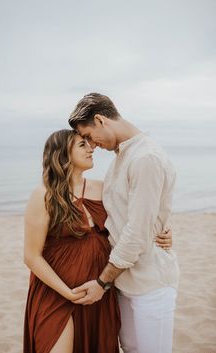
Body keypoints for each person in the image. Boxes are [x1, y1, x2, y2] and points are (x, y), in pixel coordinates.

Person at [23, 129, 172, 353]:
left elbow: (138, 220)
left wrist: (164, 233)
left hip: (99, 292)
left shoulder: (104, 189)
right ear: (62, 153)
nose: (91, 148)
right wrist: (67, 293)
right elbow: (31, 256)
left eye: (89, 143)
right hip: (55, 293)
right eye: (82, 145)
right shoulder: (44, 195)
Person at [68, 93, 180, 353]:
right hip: (125, 281)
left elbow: (137, 232)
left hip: (150, 284)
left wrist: (102, 283)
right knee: (130, 348)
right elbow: (129, 218)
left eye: (88, 136)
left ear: (100, 120)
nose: (91, 145)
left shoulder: (145, 158)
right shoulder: (122, 157)